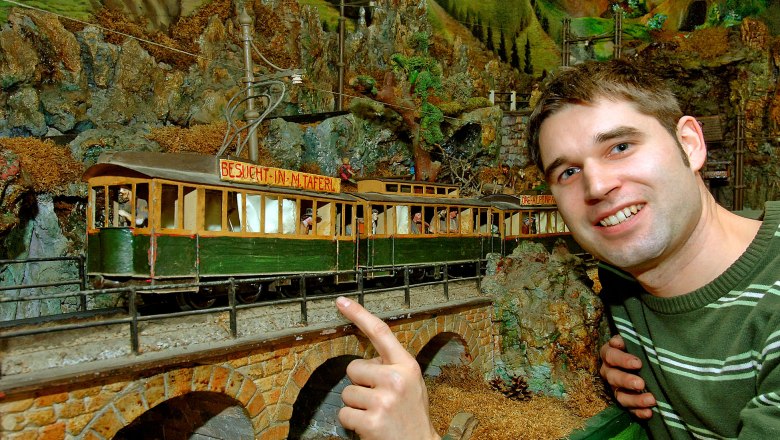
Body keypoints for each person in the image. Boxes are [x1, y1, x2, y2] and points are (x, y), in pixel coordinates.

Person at [335, 59, 780, 439]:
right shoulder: (621, 283)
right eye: (567, 172)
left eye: (620, 146)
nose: (598, 185)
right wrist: (606, 362)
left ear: (690, 143)